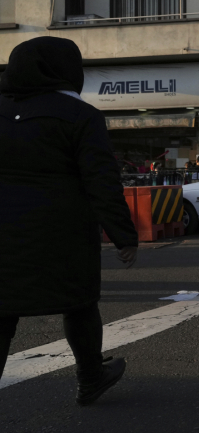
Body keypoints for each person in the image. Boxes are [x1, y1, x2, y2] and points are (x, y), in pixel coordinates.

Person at [0, 37, 138, 404]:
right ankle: (90, 377)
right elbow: (101, 180)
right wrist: (124, 235)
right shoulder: (80, 115)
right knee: (79, 303)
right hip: (62, 235)